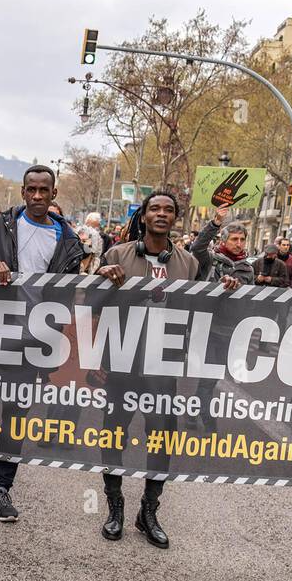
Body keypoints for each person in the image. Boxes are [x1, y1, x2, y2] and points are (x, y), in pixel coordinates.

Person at [0, 165, 86, 523]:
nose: (38, 196)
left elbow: (67, 296)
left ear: (54, 194)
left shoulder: (68, 240)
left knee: (15, 418)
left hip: (32, 344)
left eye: (44, 190)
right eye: (31, 190)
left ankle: (1, 489)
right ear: (22, 192)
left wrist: (54, 341)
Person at [91, 190, 204, 546]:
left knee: (161, 436)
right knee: (114, 432)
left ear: (175, 218)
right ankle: (115, 507)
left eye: (168, 210)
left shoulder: (189, 263)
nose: (161, 214)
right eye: (154, 208)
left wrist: (228, 289)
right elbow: (92, 304)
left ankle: (149, 511)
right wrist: (105, 278)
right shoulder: (117, 254)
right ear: (143, 215)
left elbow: (198, 308)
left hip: (162, 365)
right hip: (123, 361)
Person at [191, 208, 252, 284]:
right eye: (234, 239)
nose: (239, 244)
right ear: (223, 241)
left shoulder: (248, 269)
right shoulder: (209, 259)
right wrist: (216, 223)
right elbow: (197, 248)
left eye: (242, 239)